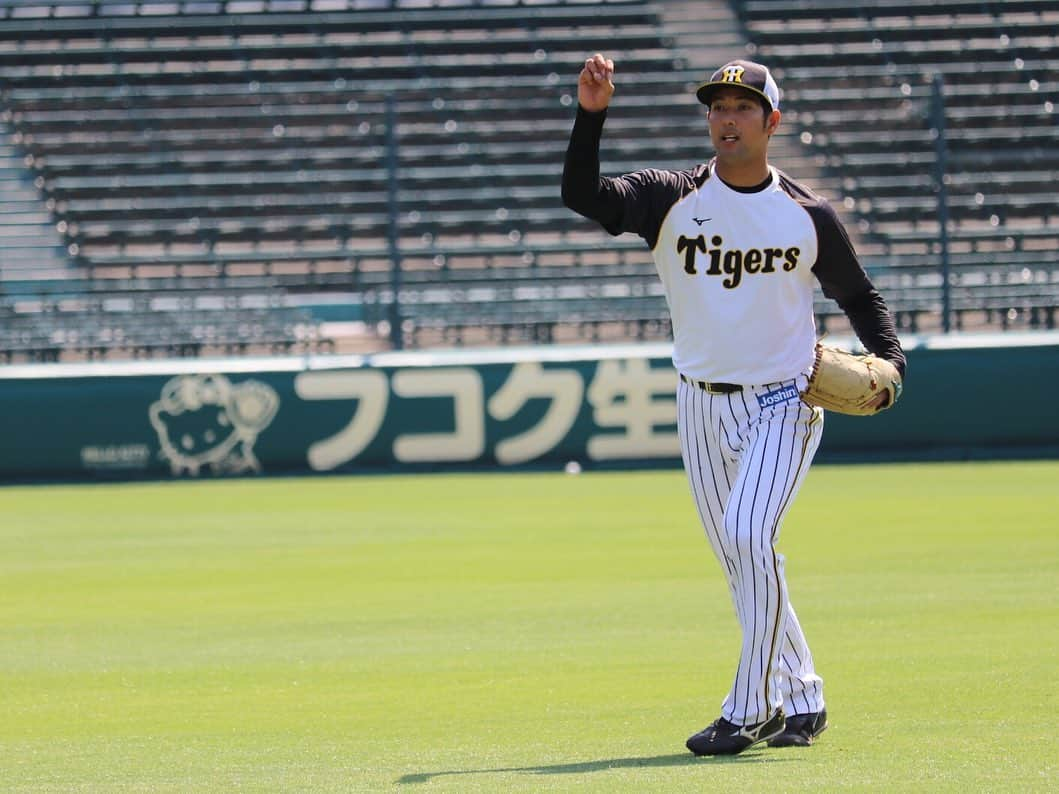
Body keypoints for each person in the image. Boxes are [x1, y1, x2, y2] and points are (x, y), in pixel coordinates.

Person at [561, 54, 906, 756]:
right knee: (744, 558)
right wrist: (590, 115)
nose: (726, 117)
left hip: (785, 396)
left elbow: (858, 297)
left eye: (742, 107)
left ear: (770, 121)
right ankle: (803, 695)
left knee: (749, 538)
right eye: (716, 106)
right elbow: (582, 196)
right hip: (699, 403)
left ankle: (752, 709)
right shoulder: (670, 196)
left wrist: (891, 361)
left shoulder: (806, 215)